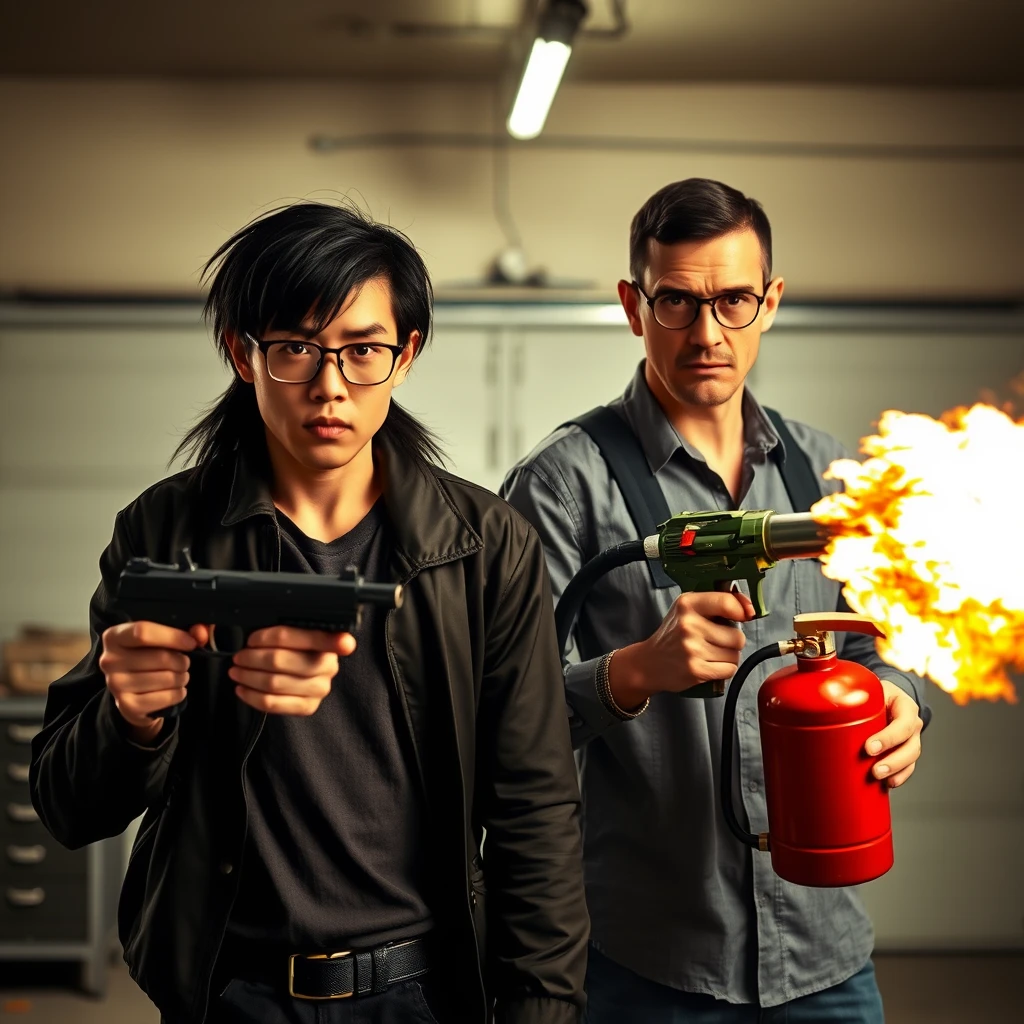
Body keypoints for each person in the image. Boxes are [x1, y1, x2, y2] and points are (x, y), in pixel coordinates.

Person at [30, 202, 588, 1024]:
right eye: (295, 348)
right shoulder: (164, 530)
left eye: (363, 350)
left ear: (406, 357)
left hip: (423, 991)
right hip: (232, 988)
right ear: (241, 355)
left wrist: (541, 1010)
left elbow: (534, 806)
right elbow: (69, 807)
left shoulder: (484, 545)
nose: (331, 386)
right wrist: (131, 718)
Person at [501, 178, 926, 1023]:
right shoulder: (559, 485)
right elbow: (501, 723)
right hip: (649, 963)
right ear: (634, 305)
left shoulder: (829, 474)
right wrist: (633, 671)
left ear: (769, 303)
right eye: (678, 303)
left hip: (825, 958)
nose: (707, 333)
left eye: (733, 300)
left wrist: (902, 700)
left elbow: (887, 646)